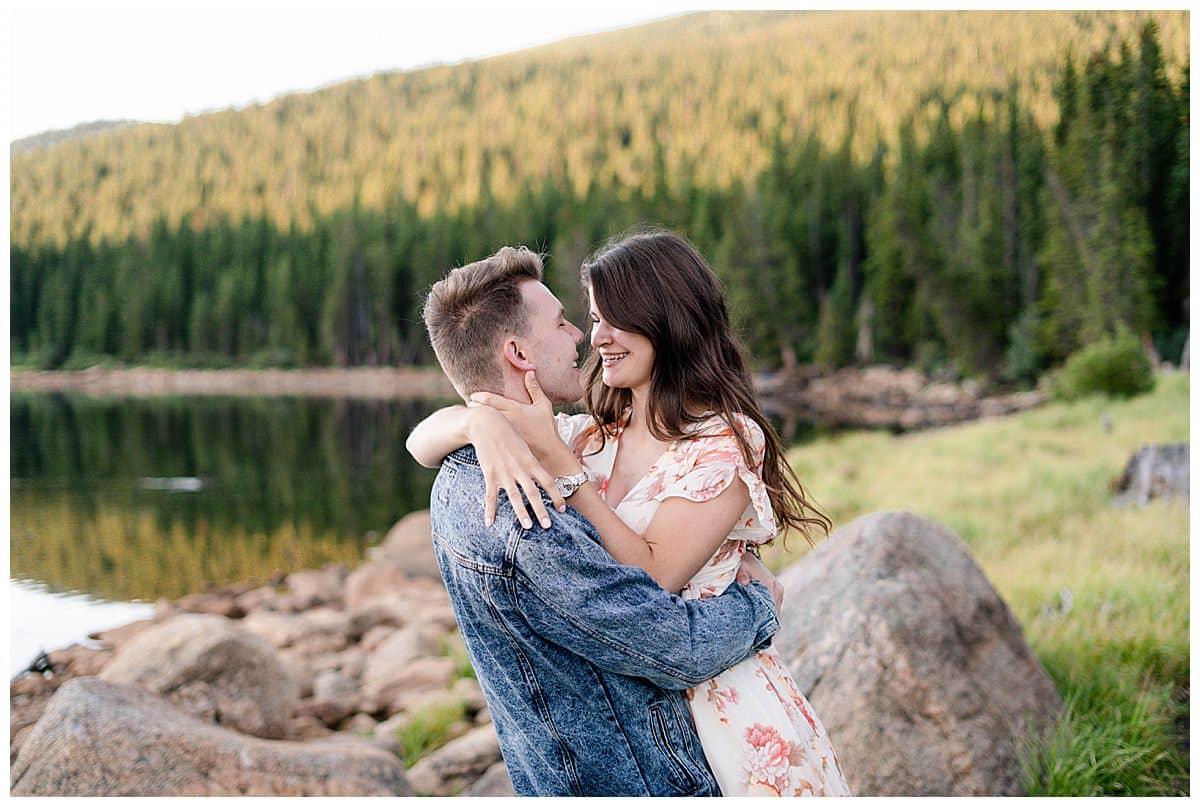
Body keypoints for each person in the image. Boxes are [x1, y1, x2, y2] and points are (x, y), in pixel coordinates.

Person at [410, 230, 852, 797]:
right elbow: (420, 443)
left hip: (727, 718)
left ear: (663, 320)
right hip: (644, 727)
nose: (596, 338)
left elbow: (655, 578)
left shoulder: (722, 441)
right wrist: (476, 422)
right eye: (590, 320)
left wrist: (565, 473)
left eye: (611, 320)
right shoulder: (592, 435)